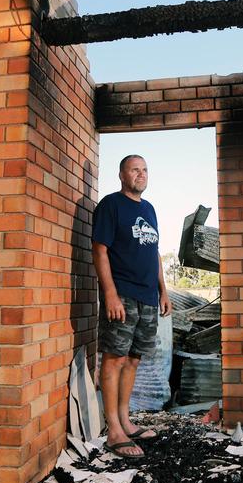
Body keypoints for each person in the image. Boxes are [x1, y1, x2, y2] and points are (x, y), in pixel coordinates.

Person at [91, 154, 171, 458]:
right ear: (122, 175)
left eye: (145, 170)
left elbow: (155, 253)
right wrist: (109, 293)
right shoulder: (111, 205)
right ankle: (113, 430)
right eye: (135, 169)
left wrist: (163, 291)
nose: (141, 174)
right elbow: (100, 251)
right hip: (122, 294)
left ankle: (125, 419)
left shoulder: (149, 209)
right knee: (114, 359)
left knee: (134, 360)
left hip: (149, 296)